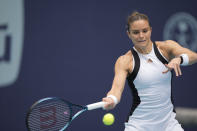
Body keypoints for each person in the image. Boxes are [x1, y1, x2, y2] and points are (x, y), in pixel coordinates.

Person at [102, 11, 197, 131]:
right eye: (136, 32)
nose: (141, 36)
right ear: (129, 34)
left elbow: (194, 56)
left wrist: (180, 58)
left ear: (150, 30)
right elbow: (116, 89)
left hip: (169, 125)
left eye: (145, 31)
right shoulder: (125, 61)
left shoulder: (165, 48)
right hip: (138, 126)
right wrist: (112, 99)